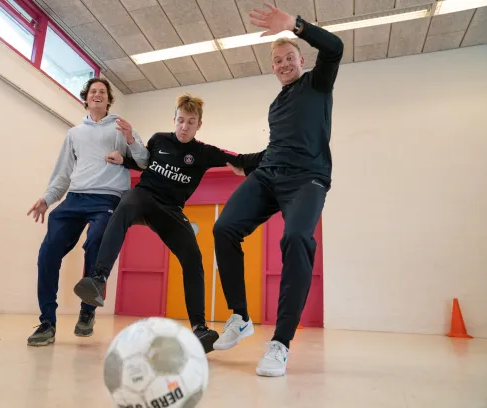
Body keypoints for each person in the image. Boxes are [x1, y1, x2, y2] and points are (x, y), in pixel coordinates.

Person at [211, 3, 344, 376]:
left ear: (301, 59)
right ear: (272, 68)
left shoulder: (317, 84)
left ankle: (280, 343)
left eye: (289, 58)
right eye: (278, 61)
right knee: (224, 228)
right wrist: (240, 161)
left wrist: (295, 25)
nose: (284, 64)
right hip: (270, 175)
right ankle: (240, 316)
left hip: (308, 178)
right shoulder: (276, 105)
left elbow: (334, 48)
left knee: (297, 238)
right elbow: (275, 150)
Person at [73, 94, 264, 353]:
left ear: (199, 126)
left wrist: (275, 154)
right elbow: (145, 161)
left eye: (191, 122)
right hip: (144, 197)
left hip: (171, 211)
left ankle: (199, 328)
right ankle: (98, 278)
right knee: (126, 203)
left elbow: (240, 159)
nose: (184, 126)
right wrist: (125, 160)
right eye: (181, 120)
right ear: (174, 120)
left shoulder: (204, 153)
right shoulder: (159, 139)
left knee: (193, 259)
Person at [26, 78, 149, 346]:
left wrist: (131, 140)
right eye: (93, 91)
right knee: (47, 253)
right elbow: (63, 173)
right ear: (86, 98)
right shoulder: (74, 133)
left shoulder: (121, 127)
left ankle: (87, 311)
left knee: (95, 243)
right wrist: (47, 199)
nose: (97, 95)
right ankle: (47, 322)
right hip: (74, 199)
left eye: (102, 92)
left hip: (107, 197)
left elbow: (144, 161)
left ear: (108, 100)